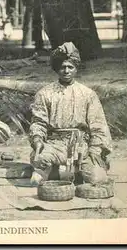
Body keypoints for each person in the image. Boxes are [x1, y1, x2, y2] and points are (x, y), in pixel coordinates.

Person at [29, 42, 112, 186]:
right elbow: (38, 122)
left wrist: (95, 149)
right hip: (54, 144)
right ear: (56, 69)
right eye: (62, 67)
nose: (66, 71)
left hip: (81, 145)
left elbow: (98, 125)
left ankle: (69, 172)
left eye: (70, 67)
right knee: (36, 179)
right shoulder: (45, 93)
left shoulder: (87, 94)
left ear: (76, 68)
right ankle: (63, 172)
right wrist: (37, 140)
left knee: (97, 179)